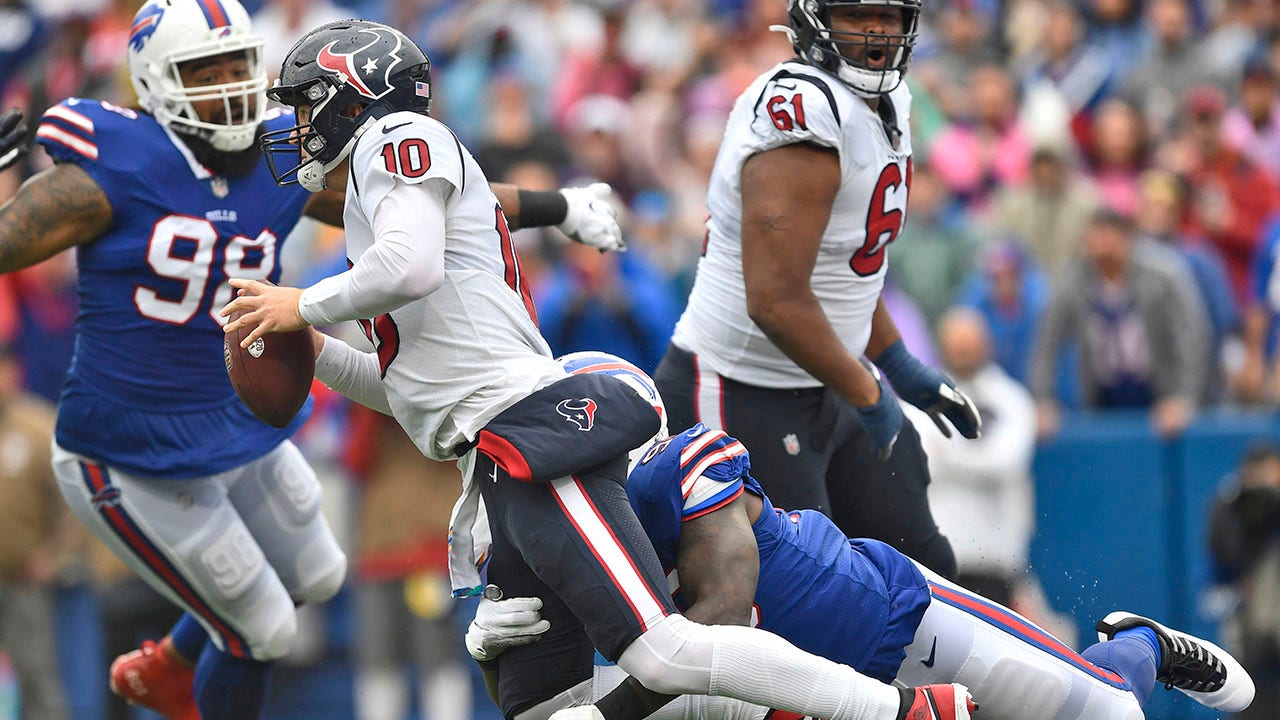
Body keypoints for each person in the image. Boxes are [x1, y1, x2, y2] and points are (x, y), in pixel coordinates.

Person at [223, 19, 977, 720]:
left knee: (664, 650)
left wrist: (301, 304)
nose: (299, 123)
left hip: (530, 434)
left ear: (357, 95)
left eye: (309, 101)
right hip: (492, 453)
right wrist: (318, 354)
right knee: (540, 706)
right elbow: (415, 394)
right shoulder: (375, 194)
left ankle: (901, 710)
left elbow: (409, 266)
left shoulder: (398, 136)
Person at [0, 2, 628, 718]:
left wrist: (557, 207)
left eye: (238, 64)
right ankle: (192, 667)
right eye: (203, 72)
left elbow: (443, 200)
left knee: (320, 574)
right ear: (152, 83)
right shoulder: (112, 164)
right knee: (262, 628)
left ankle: (175, 661)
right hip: (128, 440)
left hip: (229, 419)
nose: (229, 85)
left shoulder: (281, 154)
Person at [467, 364, 1256, 719]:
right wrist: (492, 648)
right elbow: (547, 704)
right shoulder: (536, 522)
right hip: (786, 695)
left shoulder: (678, 466)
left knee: (1107, 715)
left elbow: (726, 611)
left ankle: (1139, 644)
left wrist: (611, 715)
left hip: (897, 623)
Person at [652, 0, 979, 581]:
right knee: (796, 602)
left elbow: (847, 267)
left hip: (830, 378)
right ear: (814, 20)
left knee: (924, 571)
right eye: (857, 14)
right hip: (741, 392)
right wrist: (869, 392)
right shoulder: (802, 110)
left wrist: (896, 362)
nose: (877, 30)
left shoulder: (892, 102)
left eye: (890, 16)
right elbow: (775, 299)